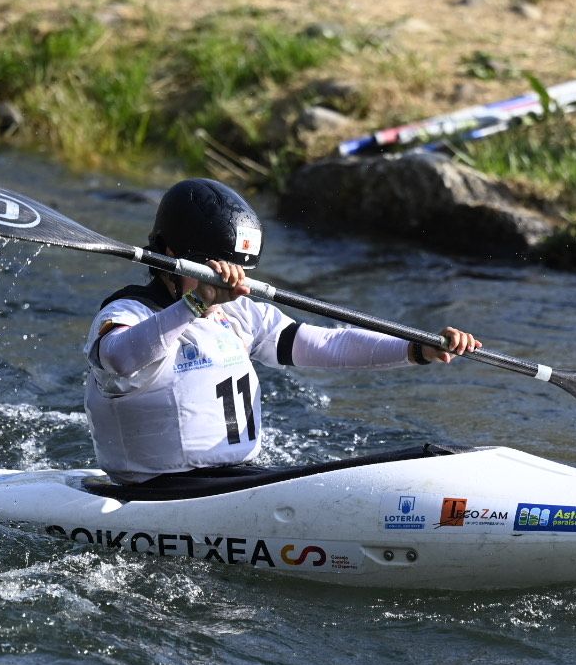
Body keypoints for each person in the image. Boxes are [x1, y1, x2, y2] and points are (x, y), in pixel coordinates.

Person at [82, 178, 480, 484]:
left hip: (235, 481)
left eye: (237, 270)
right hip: (155, 490)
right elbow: (118, 359)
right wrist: (197, 302)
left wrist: (416, 348)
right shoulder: (128, 311)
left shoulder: (238, 313)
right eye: (215, 268)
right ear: (171, 256)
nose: (230, 282)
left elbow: (328, 345)